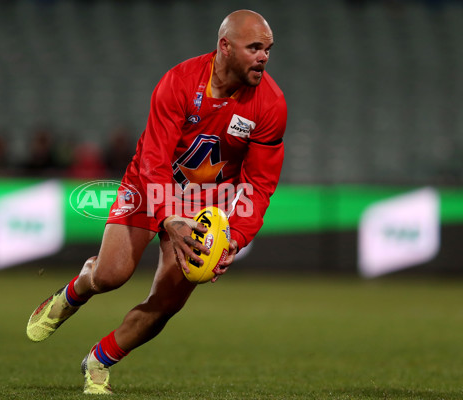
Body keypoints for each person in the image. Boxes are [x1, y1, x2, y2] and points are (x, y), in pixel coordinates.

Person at [26, 9, 287, 395]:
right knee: (111, 275)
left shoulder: (270, 104)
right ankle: (75, 291)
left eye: (267, 49)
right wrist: (169, 216)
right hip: (151, 184)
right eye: (254, 48)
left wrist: (235, 237)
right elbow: (153, 158)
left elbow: (260, 184)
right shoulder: (180, 82)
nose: (264, 56)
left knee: (167, 303)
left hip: (205, 202)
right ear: (225, 47)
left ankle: (99, 360)